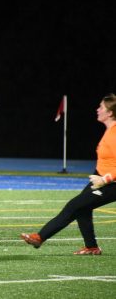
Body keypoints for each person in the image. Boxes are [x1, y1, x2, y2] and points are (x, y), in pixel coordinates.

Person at [21, 93, 116, 255]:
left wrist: (104, 179)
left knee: (74, 205)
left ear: (110, 113)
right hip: (101, 178)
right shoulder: (110, 131)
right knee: (82, 208)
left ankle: (40, 237)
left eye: (101, 107)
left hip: (111, 183)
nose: (97, 109)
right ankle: (92, 247)